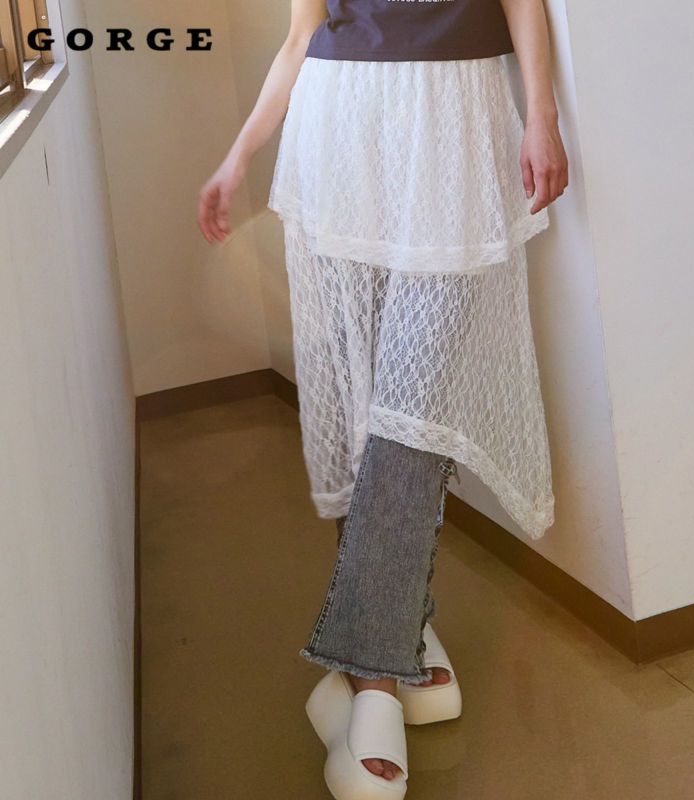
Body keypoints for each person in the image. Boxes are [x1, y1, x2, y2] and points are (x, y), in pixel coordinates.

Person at [198, 0, 568, 796]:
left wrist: (542, 115)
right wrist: (237, 158)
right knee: (360, 412)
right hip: (338, 140)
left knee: (411, 412)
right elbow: (302, 36)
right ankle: (400, 632)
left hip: (454, 131)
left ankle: (367, 677)